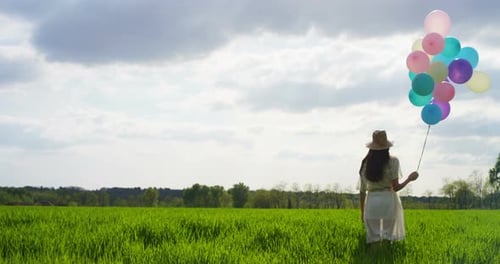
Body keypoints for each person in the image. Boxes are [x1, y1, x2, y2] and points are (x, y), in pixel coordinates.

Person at [359, 130, 419, 244]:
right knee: (388, 238)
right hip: (388, 201)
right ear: (387, 147)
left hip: (372, 201)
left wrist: (362, 212)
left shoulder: (365, 163)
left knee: (373, 240)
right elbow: (396, 187)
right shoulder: (393, 161)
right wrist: (409, 179)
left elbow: (362, 191)